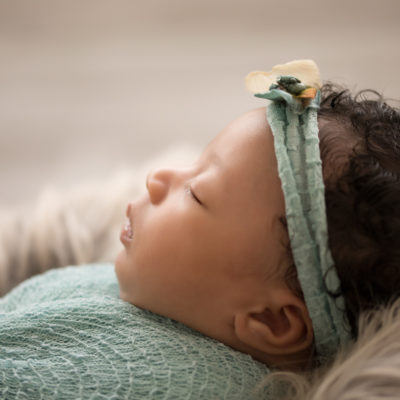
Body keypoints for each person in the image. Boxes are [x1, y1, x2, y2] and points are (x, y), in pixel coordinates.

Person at [1, 60, 399, 398]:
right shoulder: (159, 292)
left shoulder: (167, 382)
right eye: (194, 162)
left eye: (195, 194)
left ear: (271, 321)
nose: (158, 175)